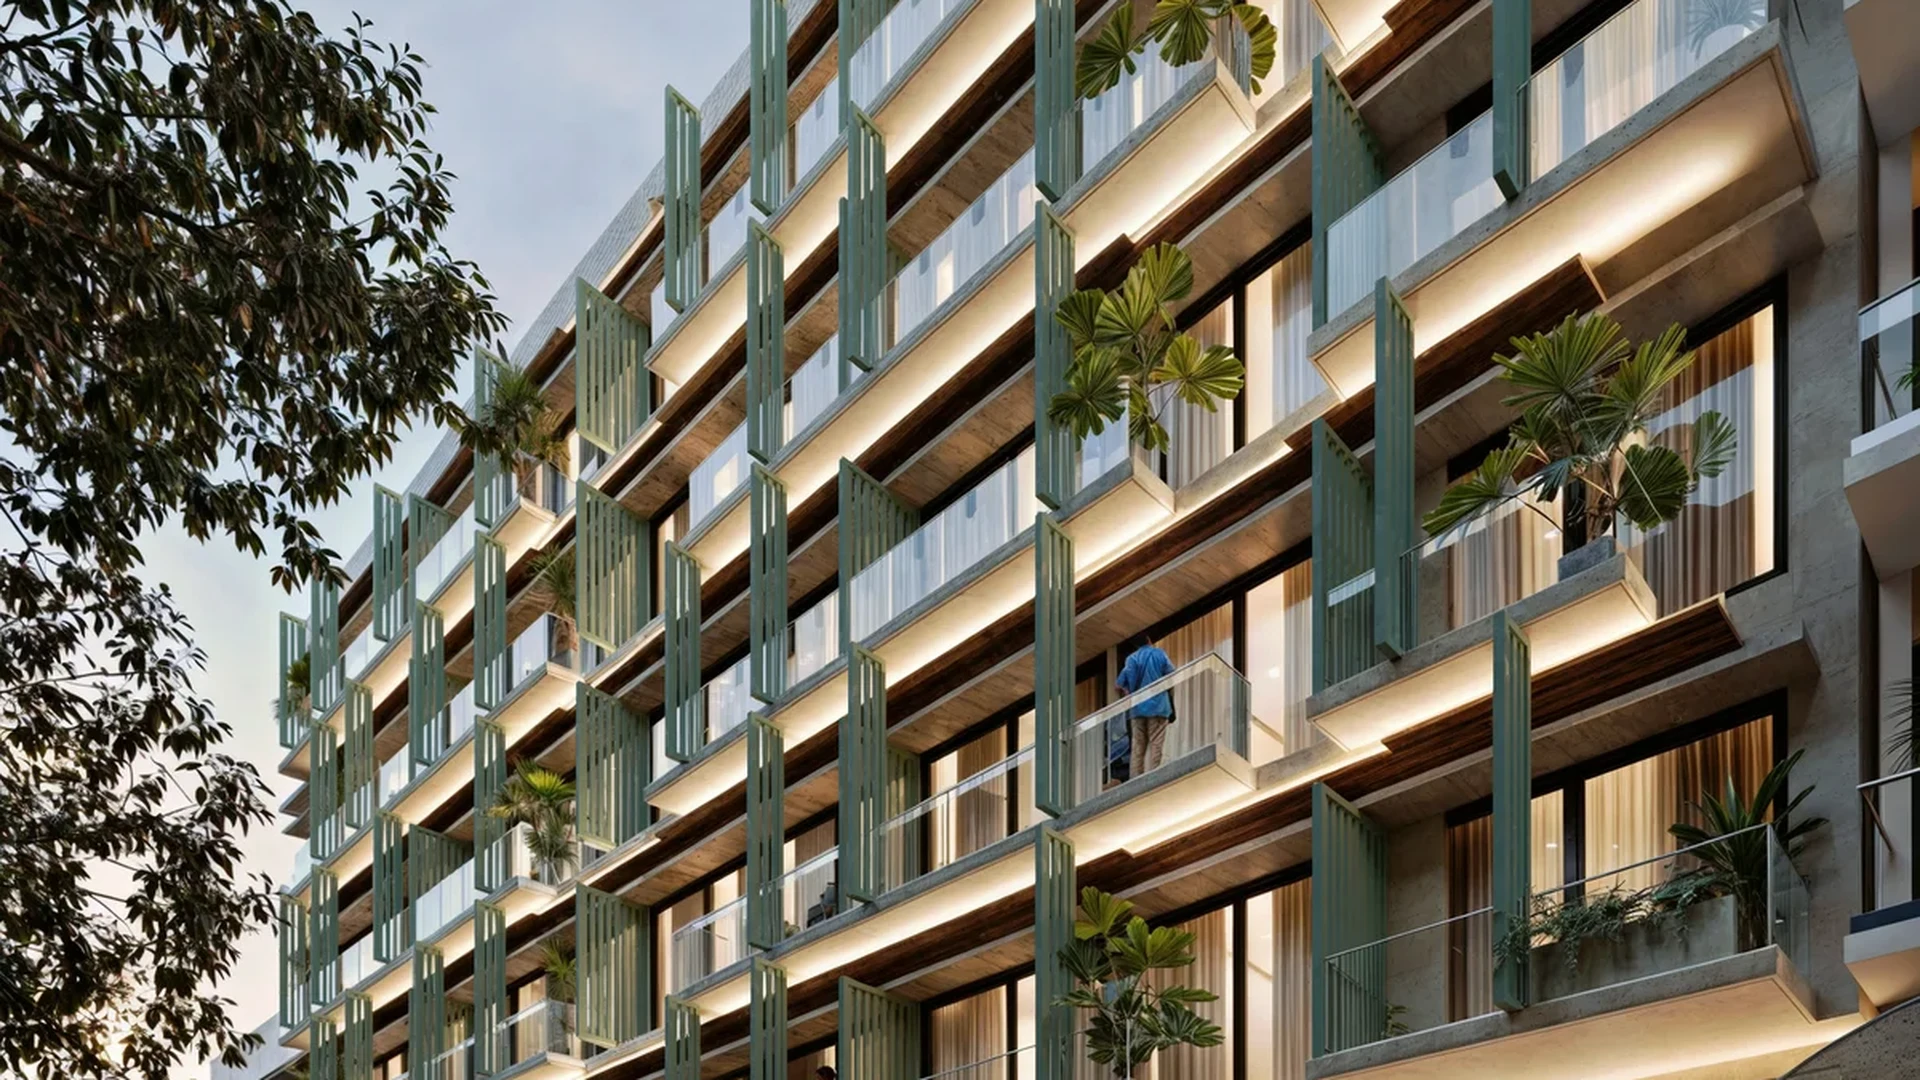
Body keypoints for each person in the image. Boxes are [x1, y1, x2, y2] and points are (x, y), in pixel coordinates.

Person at [1115, 632, 1176, 780]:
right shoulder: (1159, 654)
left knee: (1138, 747)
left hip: (1137, 709)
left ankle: (1135, 778)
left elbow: (1118, 684)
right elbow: (1171, 674)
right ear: (1149, 639)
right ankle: (1155, 776)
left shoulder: (1131, 659)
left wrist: (1129, 694)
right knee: (1156, 743)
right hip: (1159, 706)